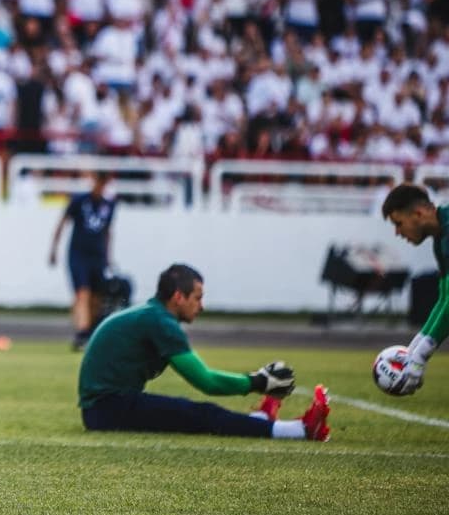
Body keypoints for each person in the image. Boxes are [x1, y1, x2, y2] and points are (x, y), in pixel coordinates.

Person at [78, 263, 331, 441]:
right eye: (197, 298)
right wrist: (257, 382)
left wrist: (255, 382)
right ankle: (300, 430)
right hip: (107, 411)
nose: (202, 306)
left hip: (104, 408)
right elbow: (206, 382)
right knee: (201, 415)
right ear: (179, 297)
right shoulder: (160, 322)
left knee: (190, 413)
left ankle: (259, 420)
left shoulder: (153, 315)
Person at [378, 183, 449, 394]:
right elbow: (444, 298)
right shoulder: (440, 239)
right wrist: (413, 348)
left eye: (398, 223)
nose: (398, 232)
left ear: (418, 213)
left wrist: (420, 356)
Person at [49, 172, 116, 351]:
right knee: (82, 293)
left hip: (97, 256)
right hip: (78, 254)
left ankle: (90, 331)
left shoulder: (109, 205)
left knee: (96, 297)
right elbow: (62, 223)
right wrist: (54, 249)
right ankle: (82, 333)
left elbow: (108, 232)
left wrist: (108, 257)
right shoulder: (79, 201)